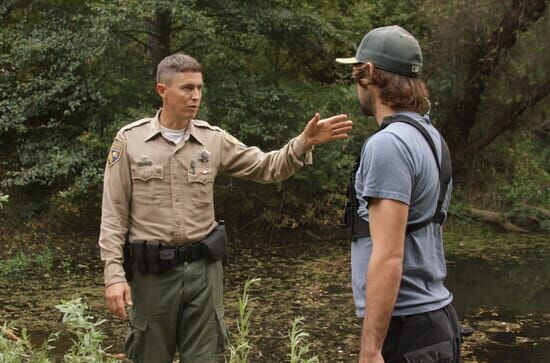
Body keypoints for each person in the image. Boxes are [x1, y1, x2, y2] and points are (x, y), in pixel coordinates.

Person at [98, 53, 352, 363]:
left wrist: (303, 142)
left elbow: (267, 167)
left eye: (200, 88)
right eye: (187, 88)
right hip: (153, 276)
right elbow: (113, 214)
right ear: (162, 90)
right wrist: (114, 275)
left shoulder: (212, 140)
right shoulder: (129, 141)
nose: (195, 97)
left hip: (203, 274)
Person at [336, 26, 461, 363]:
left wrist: (371, 349)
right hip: (435, 322)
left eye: (356, 73)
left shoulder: (388, 145)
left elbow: (389, 254)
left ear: (370, 74)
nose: (356, 85)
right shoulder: (431, 137)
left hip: (407, 330)